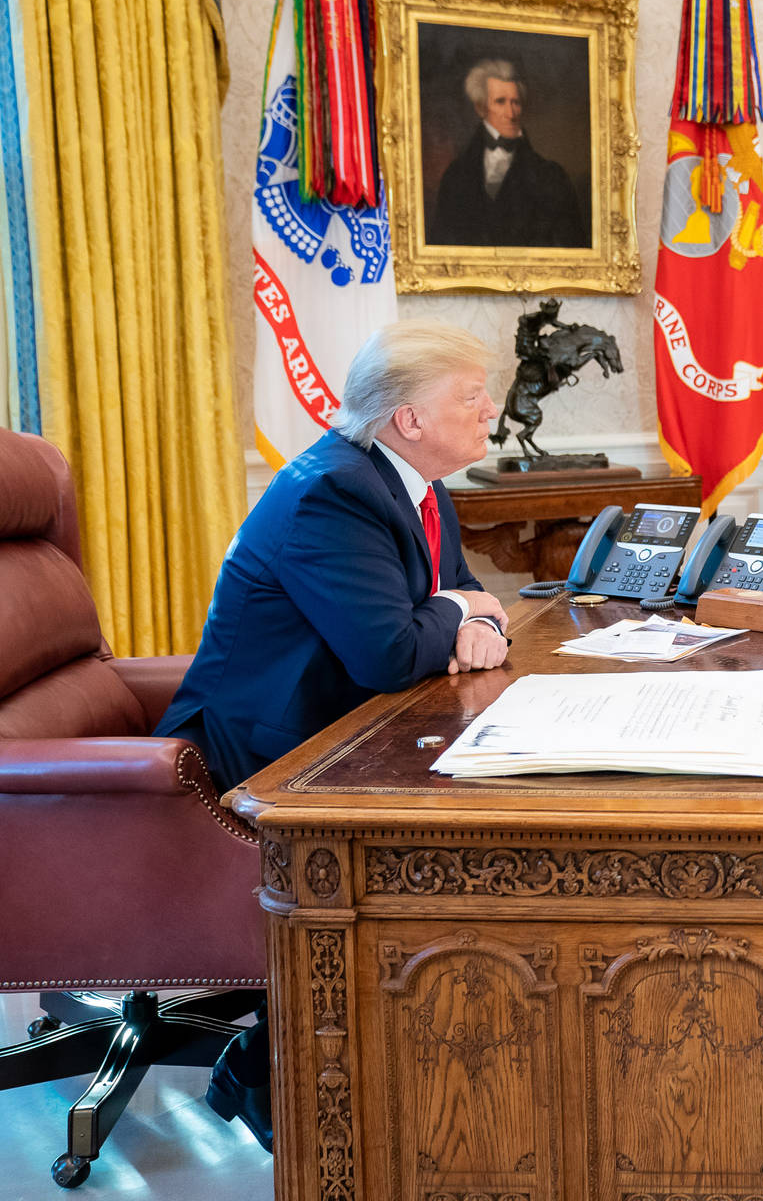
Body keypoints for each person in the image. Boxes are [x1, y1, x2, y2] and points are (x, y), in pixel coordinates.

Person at [155, 319, 512, 1152]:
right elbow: (392, 650)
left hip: (350, 725)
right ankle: (274, 1067)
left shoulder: (417, 483)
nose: (492, 408)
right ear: (410, 419)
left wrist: (469, 615)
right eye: (471, 395)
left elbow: (465, 596)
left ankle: (423, 1059)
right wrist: (461, 614)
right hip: (269, 752)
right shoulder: (334, 492)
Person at [429, 58, 588, 249]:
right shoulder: (456, 176)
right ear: (480, 108)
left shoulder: (551, 177)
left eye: (516, 103)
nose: (511, 113)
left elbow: (571, 249)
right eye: (500, 102)